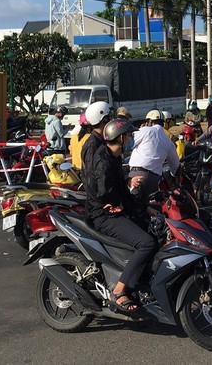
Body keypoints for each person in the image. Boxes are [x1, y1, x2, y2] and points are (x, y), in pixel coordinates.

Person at [85, 118, 156, 315]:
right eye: (130, 136)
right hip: (104, 216)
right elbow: (105, 194)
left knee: (155, 231)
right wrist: (119, 204)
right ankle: (118, 291)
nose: (132, 139)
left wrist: (144, 208)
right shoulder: (103, 161)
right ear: (122, 138)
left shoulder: (112, 157)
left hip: (115, 210)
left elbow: (120, 191)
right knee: (146, 243)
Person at [128, 110, 180, 223]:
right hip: (153, 180)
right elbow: (175, 166)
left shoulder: (145, 131)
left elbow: (128, 144)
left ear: (149, 121)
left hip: (137, 175)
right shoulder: (168, 140)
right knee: (149, 212)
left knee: (132, 207)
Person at [80, 101, 112, 173]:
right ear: (104, 119)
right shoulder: (93, 144)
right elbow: (91, 172)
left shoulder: (100, 139)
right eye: (110, 116)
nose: (112, 119)